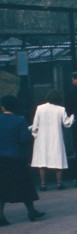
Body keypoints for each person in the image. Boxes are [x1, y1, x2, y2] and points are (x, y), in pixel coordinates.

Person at [0, 95, 45, 225]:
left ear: (2, 107)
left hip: (1, 159)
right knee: (25, 186)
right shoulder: (20, 120)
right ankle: (31, 211)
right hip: (16, 158)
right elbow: (24, 139)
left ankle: (1, 216)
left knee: (2, 187)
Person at [30, 89, 74, 191]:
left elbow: (35, 125)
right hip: (56, 138)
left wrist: (35, 135)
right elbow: (67, 123)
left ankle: (43, 184)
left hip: (42, 139)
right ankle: (59, 183)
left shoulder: (40, 108)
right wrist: (72, 116)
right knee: (58, 160)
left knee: (42, 162)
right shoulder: (61, 109)